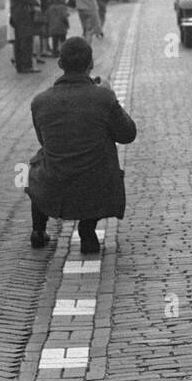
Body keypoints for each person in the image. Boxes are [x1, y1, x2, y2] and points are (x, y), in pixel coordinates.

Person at [24, 37, 137, 254]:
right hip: (95, 186)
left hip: (55, 183)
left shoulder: (40, 101)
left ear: (60, 64)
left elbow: (43, 142)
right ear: (91, 64)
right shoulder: (103, 97)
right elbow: (127, 134)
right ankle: (88, 229)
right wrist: (111, 98)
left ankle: (38, 229)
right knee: (101, 160)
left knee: (32, 169)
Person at [9, 0, 43, 73]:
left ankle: (21, 65)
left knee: (20, 40)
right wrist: (35, 0)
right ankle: (26, 65)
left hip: (18, 12)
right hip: (23, 13)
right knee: (26, 40)